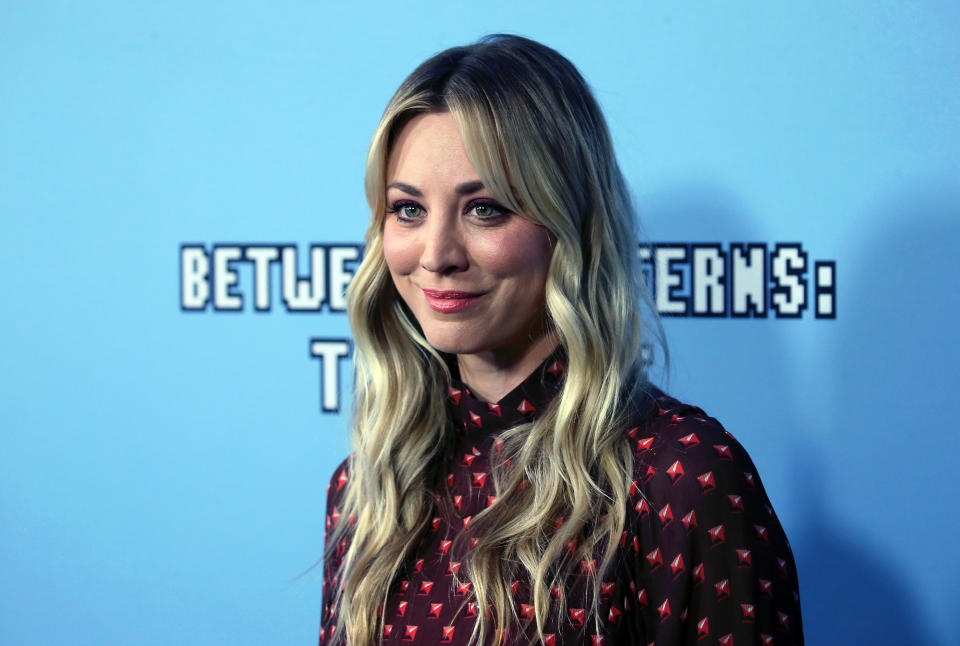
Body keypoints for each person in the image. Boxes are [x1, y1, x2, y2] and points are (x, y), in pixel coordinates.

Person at [320, 34, 803, 646]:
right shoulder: (368, 490)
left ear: (568, 224)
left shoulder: (679, 476)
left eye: (485, 208)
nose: (436, 255)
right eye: (408, 210)